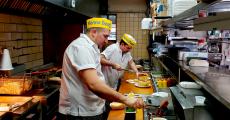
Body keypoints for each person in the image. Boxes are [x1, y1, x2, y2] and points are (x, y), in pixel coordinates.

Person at [57, 18, 145, 120]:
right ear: (94, 32)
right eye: (105, 36)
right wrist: (125, 99)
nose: (107, 40)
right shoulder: (81, 47)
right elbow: (93, 84)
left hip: (91, 109)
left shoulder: (92, 47)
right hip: (80, 113)